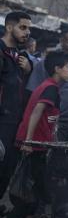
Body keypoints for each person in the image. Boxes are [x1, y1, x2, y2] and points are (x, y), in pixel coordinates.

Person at [0, 51, 68, 218]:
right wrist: (28, 141)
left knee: (39, 190)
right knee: (36, 191)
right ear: (57, 69)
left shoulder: (51, 87)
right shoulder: (49, 88)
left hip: (38, 144)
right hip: (32, 146)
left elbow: (48, 119)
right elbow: (35, 112)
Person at [0, 11, 33, 200]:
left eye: (29, 28)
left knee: (8, 167)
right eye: (23, 27)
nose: (27, 32)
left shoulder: (20, 55)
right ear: (9, 27)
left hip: (15, 120)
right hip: (3, 118)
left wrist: (28, 69)